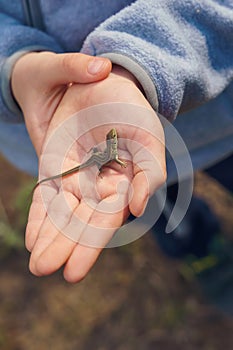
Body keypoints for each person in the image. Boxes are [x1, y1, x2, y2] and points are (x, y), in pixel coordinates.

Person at [0, 0, 232, 296]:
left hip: (218, 121)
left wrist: (135, 62)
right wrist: (12, 68)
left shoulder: (111, 147)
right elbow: (114, 164)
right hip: (59, 134)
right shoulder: (109, 151)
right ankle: (199, 248)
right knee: (150, 206)